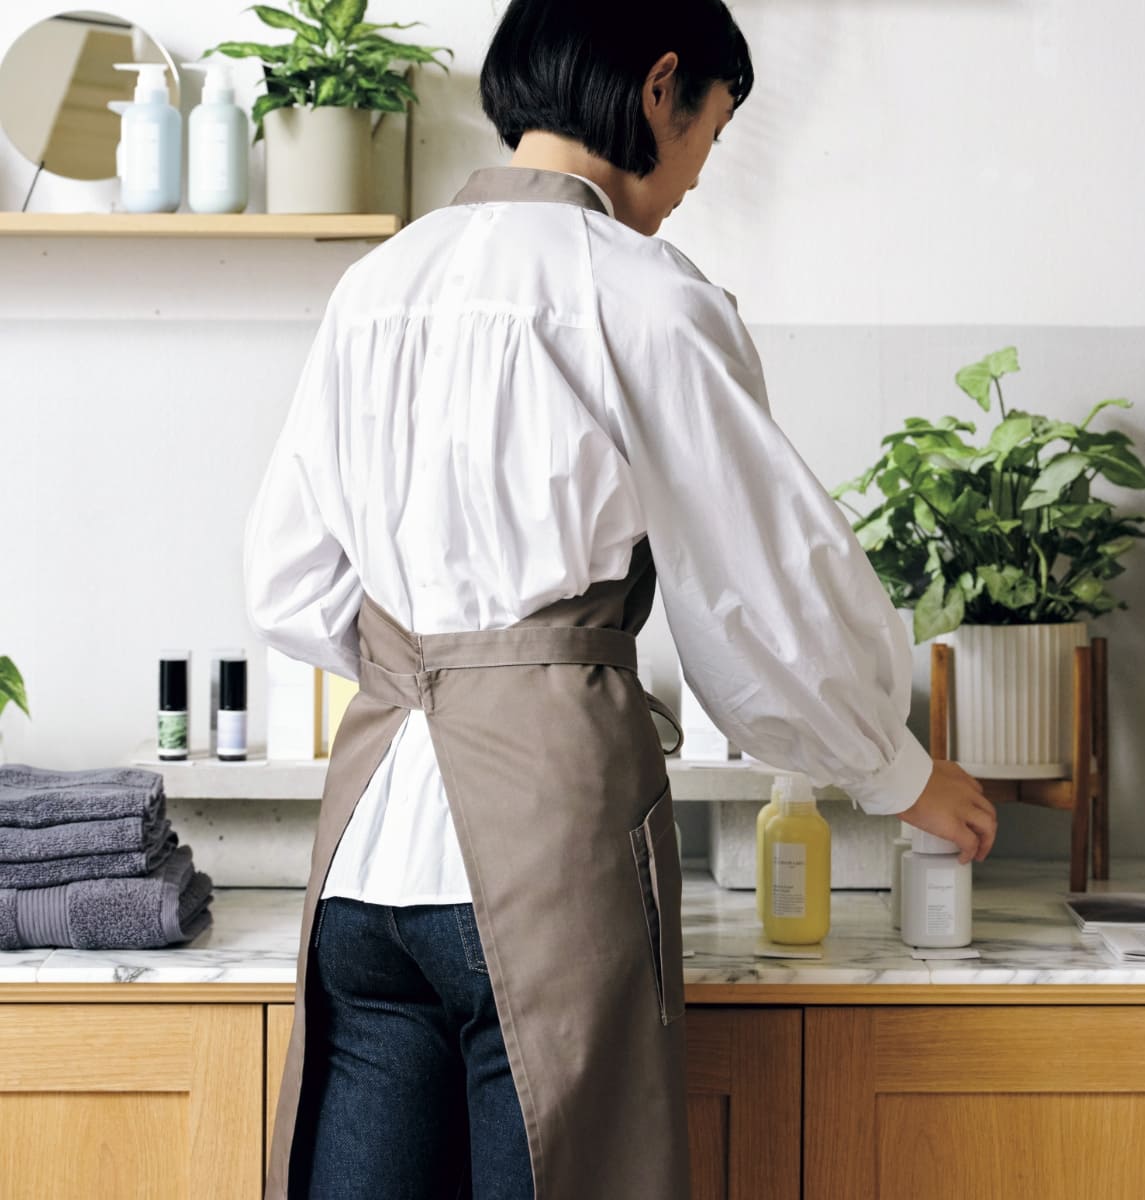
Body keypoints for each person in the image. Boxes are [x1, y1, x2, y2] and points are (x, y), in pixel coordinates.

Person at [245, 1, 998, 1197]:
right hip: (546, 858)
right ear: (660, 89)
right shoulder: (644, 295)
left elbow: (289, 585)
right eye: (713, 131)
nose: (698, 174)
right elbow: (762, 596)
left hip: (363, 867)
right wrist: (899, 772)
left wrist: (447, 675)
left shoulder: (374, 288)